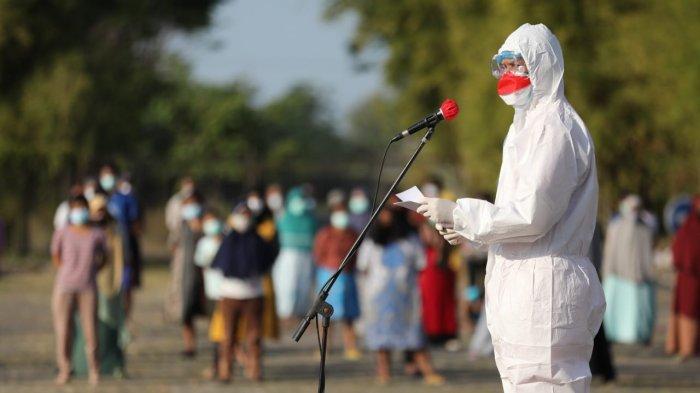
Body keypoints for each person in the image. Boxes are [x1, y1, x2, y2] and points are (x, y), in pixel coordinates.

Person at [417, 23, 605, 392]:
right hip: (522, 286)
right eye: (502, 65)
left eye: (516, 64)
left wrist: (460, 214)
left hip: (546, 288)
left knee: (549, 384)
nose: (507, 74)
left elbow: (533, 216)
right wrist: (466, 229)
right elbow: (515, 212)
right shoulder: (525, 125)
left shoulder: (555, 127)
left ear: (542, 65)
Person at [357, 204, 443, 385]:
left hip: (406, 298)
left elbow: (421, 265)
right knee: (381, 338)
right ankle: (383, 372)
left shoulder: (410, 240)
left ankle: (427, 370)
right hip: (379, 298)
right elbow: (363, 267)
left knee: (414, 336)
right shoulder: (372, 241)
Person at [211, 202, 278, 382]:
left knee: (254, 336)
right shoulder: (228, 240)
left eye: (247, 216)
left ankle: (255, 369)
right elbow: (219, 264)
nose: (244, 220)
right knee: (228, 335)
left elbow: (266, 262)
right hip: (230, 294)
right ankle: (226, 370)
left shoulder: (258, 241)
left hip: (254, 294)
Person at [50, 195, 106, 385]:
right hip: (65, 286)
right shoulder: (62, 232)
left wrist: (92, 270)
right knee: (63, 329)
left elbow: (104, 257)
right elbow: (55, 254)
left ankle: (94, 369)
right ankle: (65, 369)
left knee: (91, 330)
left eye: (82, 207)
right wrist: (66, 271)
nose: (79, 212)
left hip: (88, 286)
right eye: (75, 208)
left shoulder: (96, 233)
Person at [71, 193, 127, 378]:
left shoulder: (113, 231)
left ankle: (113, 364)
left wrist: (119, 282)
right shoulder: (82, 231)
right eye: (95, 211)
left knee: (111, 323)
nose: (99, 214)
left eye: (102, 210)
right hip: (84, 285)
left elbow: (118, 259)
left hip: (108, 285)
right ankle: (82, 365)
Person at [602, 195, 655, 344]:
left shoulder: (644, 228)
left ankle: (641, 335)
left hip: (640, 278)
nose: (634, 212)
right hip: (618, 277)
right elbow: (610, 252)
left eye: (637, 208)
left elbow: (647, 254)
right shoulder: (615, 227)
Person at [313, 203, 361, 360]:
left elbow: (357, 254)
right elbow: (318, 254)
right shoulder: (325, 233)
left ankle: (351, 346)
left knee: (349, 316)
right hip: (328, 276)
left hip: (347, 276)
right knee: (326, 313)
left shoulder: (352, 233)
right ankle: (325, 348)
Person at [165, 192, 206, 357]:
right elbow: (172, 246)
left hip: (203, 276)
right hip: (183, 275)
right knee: (186, 312)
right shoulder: (179, 227)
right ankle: (190, 345)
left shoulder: (206, 225)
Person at [272, 187, 317, 322]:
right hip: (288, 255)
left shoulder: (310, 218)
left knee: (304, 285)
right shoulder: (283, 217)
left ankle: (300, 313)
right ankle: (285, 314)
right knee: (287, 284)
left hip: (306, 255)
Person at [105, 168, 143, 318]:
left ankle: (125, 316)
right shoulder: (111, 199)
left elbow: (135, 225)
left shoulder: (131, 200)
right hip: (112, 248)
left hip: (126, 248)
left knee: (126, 285)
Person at [666, 196, 700, 360]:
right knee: (687, 311)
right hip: (688, 280)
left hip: (692, 278)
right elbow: (679, 253)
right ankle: (686, 347)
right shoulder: (687, 228)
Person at [194, 210, 225, 378]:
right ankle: (217, 364)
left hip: (229, 293)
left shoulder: (228, 241)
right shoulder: (203, 243)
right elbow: (201, 262)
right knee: (216, 332)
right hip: (212, 292)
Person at [165, 177, 196, 250]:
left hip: (192, 233)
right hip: (177, 231)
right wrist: (175, 229)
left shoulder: (197, 199)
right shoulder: (175, 200)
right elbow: (171, 217)